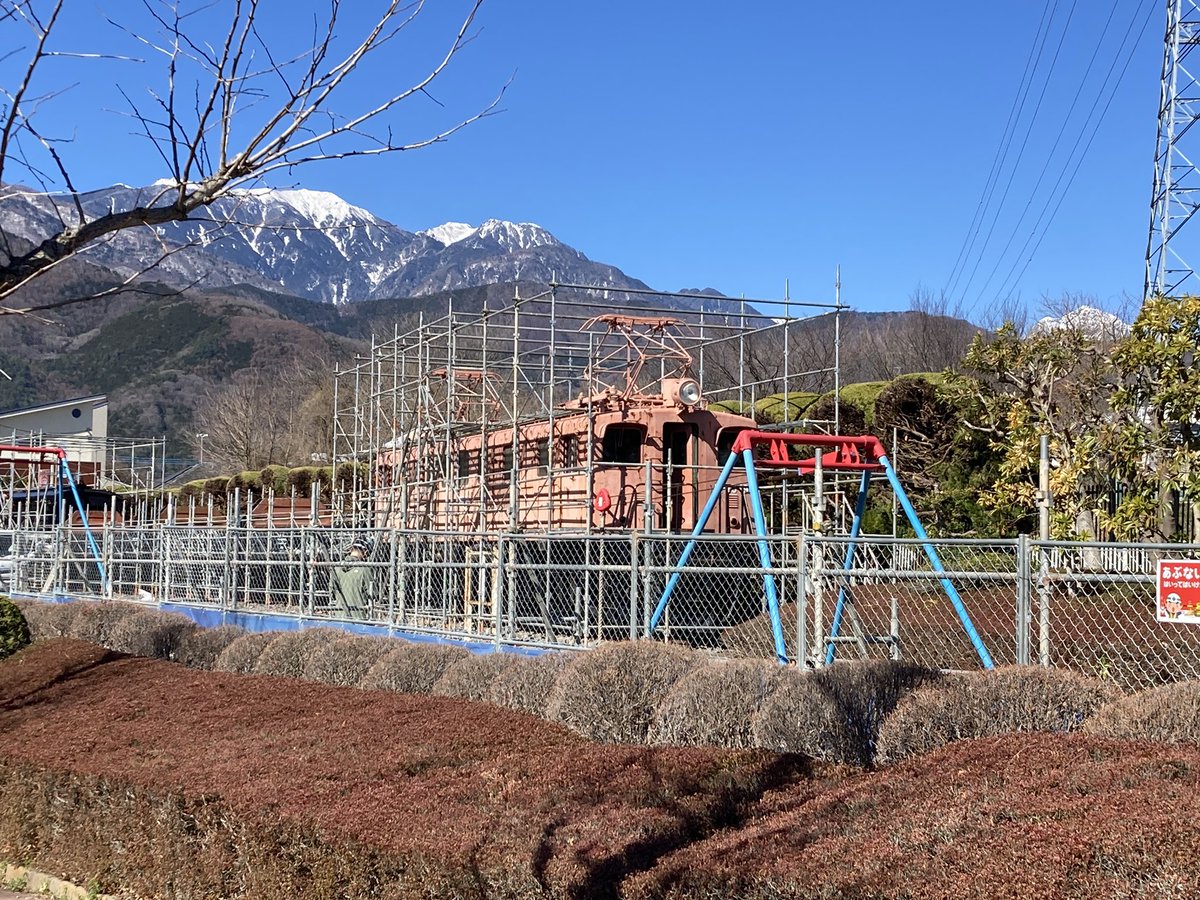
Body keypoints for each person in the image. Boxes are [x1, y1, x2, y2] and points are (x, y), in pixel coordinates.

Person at [329, 537, 374, 618]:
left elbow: (331, 591)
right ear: (366, 552)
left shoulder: (337, 568)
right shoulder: (364, 569)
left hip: (339, 615)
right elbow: (373, 593)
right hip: (358, 616)